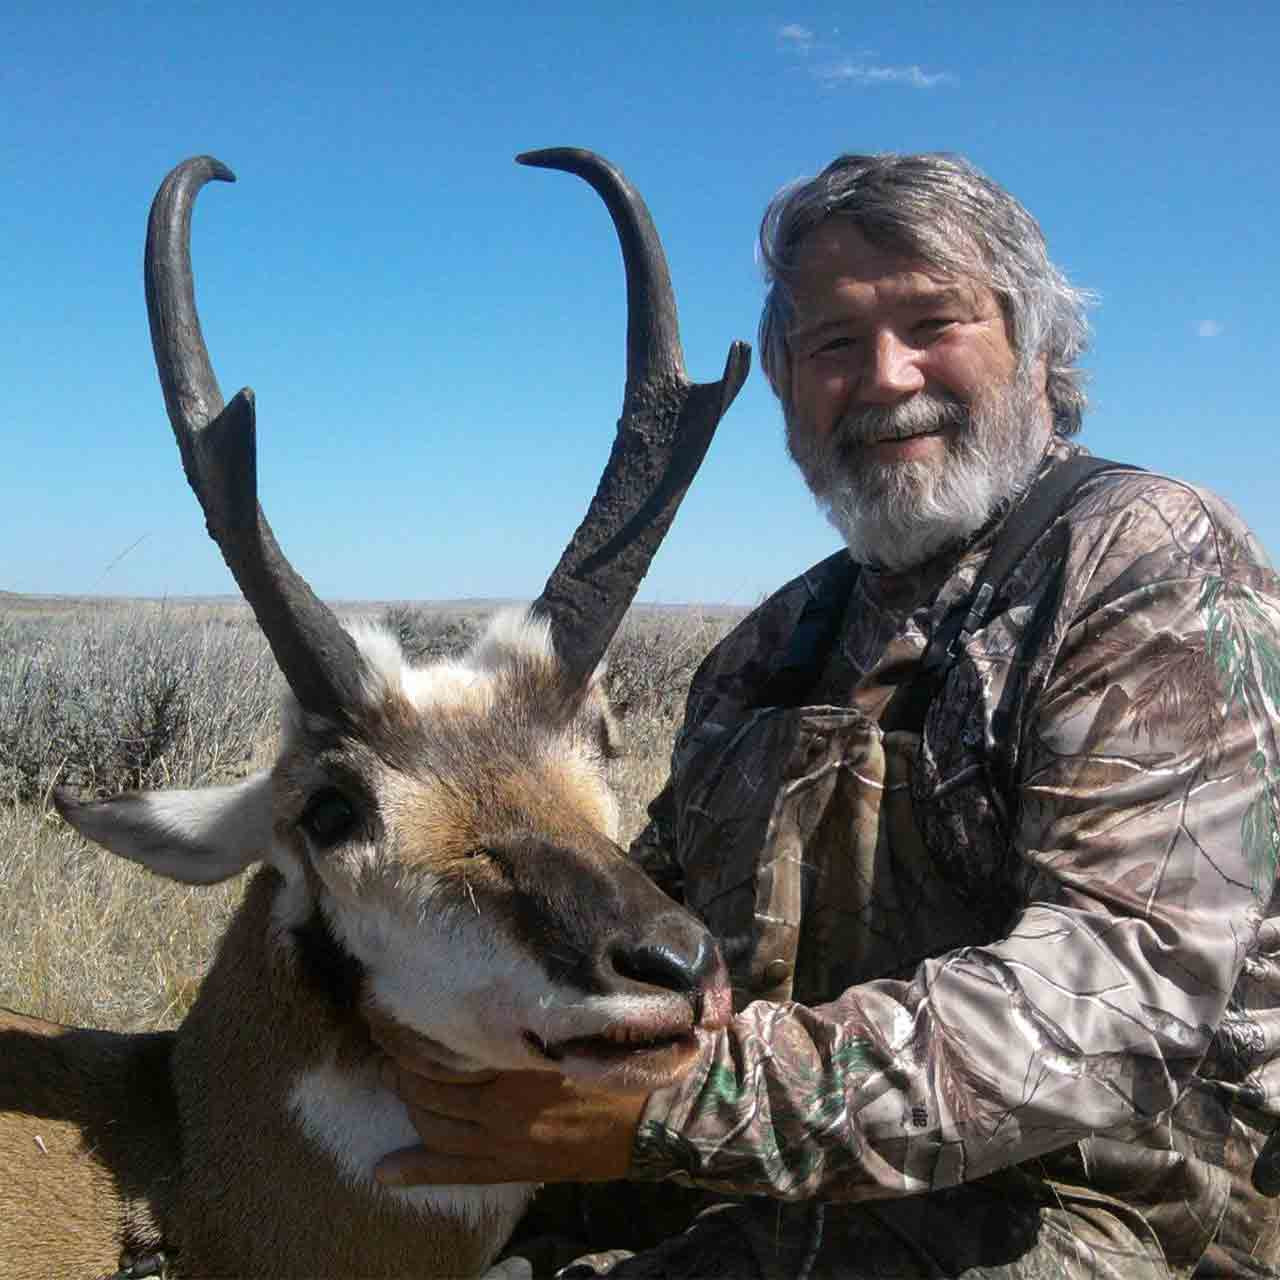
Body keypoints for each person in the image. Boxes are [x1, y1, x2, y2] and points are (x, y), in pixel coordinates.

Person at [377, 153, 1280, 1278]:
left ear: (1037, 345)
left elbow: (1119, 996)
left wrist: (666, 1109)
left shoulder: (1145, 563)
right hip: (773, 1190)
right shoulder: (770, 647)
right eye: (834, 344)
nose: (886, 376)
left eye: (931, 321)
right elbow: (652, 926)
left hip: (1101, 1218)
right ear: (788, 384)